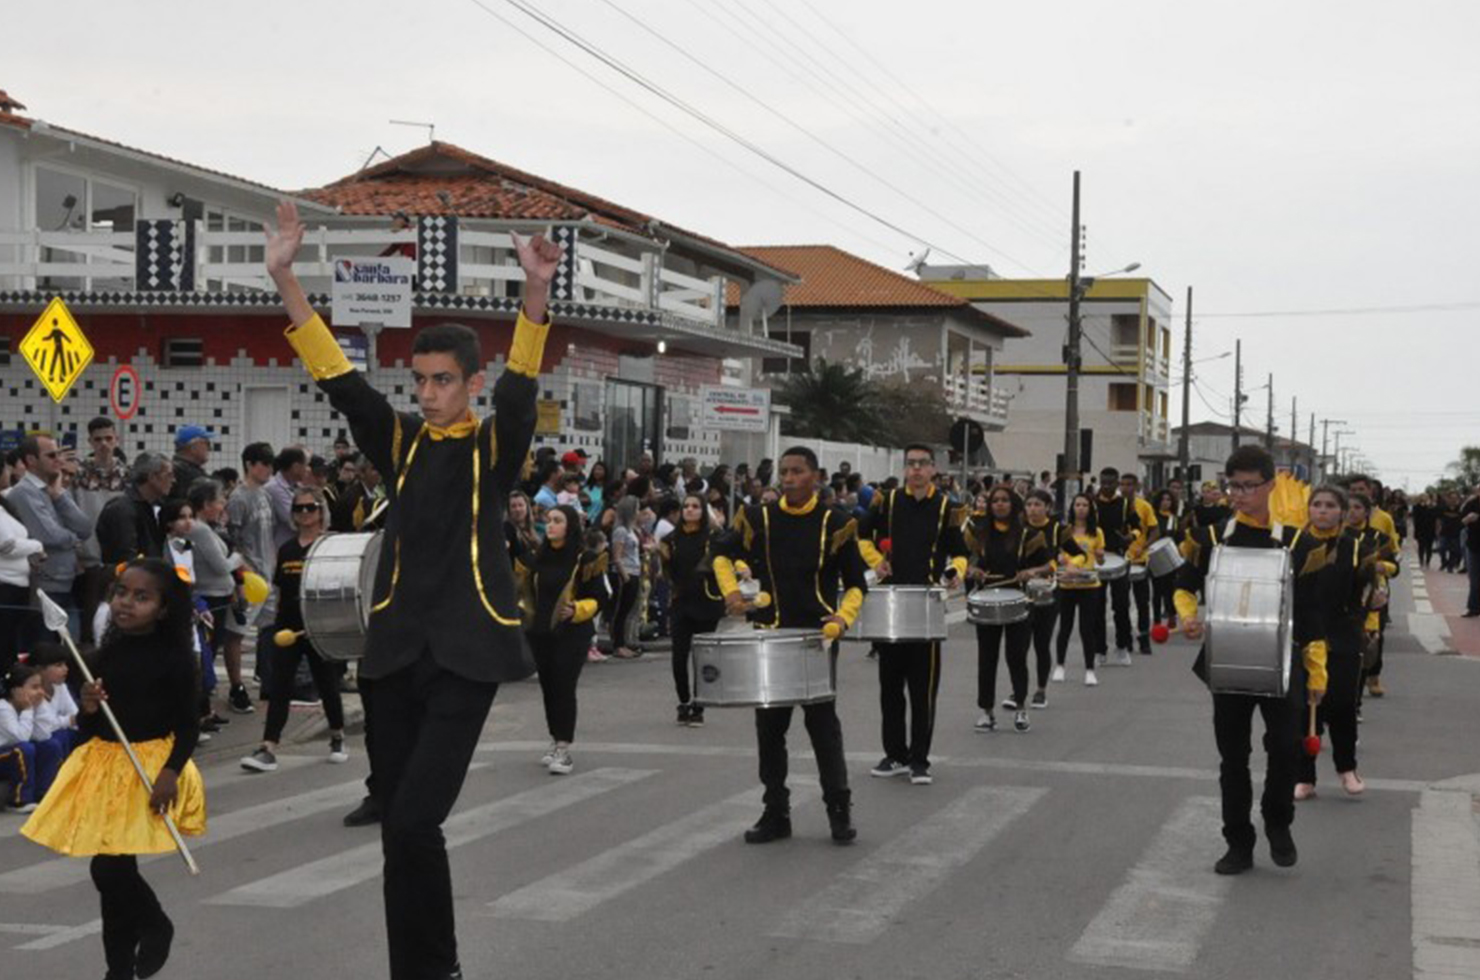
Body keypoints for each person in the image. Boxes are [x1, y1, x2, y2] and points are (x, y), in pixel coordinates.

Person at [266, 200, 559, 980]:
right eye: (420, 380)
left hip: (468, 654)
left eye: (441, 381)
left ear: (471, 382)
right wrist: (284, 275)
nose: (427, 393)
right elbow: (339, 380)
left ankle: (437, 969)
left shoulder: (496, 446)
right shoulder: (397, 440)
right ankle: (422, 969)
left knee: (416, 820)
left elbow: (524, 392)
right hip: (393, 655)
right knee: (398, 828)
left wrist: (534, 297)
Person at [21, 558, 206, 980]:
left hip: (149, 768)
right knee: (113, 876)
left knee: (109, 869)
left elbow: (188, 724)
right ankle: (118, 969)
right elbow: (92, 727)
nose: (126, 603)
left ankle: (156, 923)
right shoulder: (103, 655)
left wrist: (171, 773)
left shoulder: (176, 660)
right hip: (107, 765)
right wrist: (87, 707)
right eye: (122, 592)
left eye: (141, 597)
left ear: (162, 609)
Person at [1174, 445, 1328, 875]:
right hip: (1227, 663)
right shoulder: (1211, 538)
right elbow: (1185, 585)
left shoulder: (1298, 543)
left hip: (1283, 663)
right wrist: (1188, 617)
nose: (1239, 495)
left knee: (1285, 748)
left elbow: (1312, 615)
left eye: (1248, 487)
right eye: (1233, 486)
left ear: (1270, 485)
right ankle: (1238, 841)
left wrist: (1317, 670)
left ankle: (1278, 821)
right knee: (1232, 758)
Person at [712, 446, 866, 845]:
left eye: (797, 471)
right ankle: (775, 812)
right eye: (784, 471)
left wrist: (841, 619)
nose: (789, 478)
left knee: (823, 729)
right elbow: (720, 555)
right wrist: (731, 592)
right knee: (770, 730)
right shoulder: (757, 517)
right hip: (769, 637)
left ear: (815, 476)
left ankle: (838, 810)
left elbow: (856, 585)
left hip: (814, 640)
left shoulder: (837, 522)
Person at [856, 445, 966, 776]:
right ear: (905, 469)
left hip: (927, 605)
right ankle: (894, 755)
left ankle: (920, 760)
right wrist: (878, 564)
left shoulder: (949, 506)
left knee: (923, 690)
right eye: (911, 464)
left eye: (922, 464)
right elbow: (862, 536)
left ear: (933, 469)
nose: (916, 470)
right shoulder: (885, 501)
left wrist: (955, 573)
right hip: (891, 603)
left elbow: (960, 553)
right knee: (890, 687)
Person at [241, 487, 348, 773]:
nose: (304, 513)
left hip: (318, 627)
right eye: (299, 509)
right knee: (280, 687)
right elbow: (278, 589)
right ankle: (268, 747)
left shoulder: (329, 545)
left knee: (327, 684)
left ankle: (337, 736)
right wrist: (274, 621)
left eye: (310, 508)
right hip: (288, 627)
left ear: (320, 511)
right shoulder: (287, 548)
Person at [1293, 486, 1383, 800]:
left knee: (1342, 704)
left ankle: (1347, 768)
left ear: (1342, 512)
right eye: (1316, 504)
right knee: (1305, 706)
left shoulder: (1359, 547)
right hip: (1303, 634)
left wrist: (1370, 618)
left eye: (1330, 505)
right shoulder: (1295, 544)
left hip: (1343, 634)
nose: (1322, 510)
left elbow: (1370, 592)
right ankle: (1304, 776)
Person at [515, 504, 609, 774]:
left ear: (569, 525)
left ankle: (564, 748)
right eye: (549, 520)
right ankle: (555, 738)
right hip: (541, 632)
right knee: (549, 687)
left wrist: (578, 609)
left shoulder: (586, 559)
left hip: (573, 633)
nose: (551, 525)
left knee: (564, 686)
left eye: (557, 520)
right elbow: (523, 592)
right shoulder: (536, 558)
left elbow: (601, 596)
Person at [965, 484, 1050, 734]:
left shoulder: (1028, 535)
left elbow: (1048, 566)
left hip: (1019, 600)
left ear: (1013, 505)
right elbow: (966, 563)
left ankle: (1021, 708)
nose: (999, 504)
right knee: (986, 658)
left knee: (1016, 658)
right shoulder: (979, 534)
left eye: (1004, 500)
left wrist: (1032, 571)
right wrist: (973, 571)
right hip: (987, 600)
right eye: (995, 501)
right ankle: (986, 711)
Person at [9, 434, 93, 642]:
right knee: (46, 651)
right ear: (31, 460)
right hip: (44, 586)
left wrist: (58, 496)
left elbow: (85, 527)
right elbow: (50, 536)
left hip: (68, 582)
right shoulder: (23, 493)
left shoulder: (54, 490)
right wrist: (74, 540)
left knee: (70, 648)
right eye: (51, 455)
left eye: (59, 454)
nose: (59, 460)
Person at [659, 493, 726, 727]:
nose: (689, 510)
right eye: (686, 506)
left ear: (703, 510)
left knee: (703, 656)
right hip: (681, 602)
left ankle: (699, 705)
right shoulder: (670, 539)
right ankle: (684, 701)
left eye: (695, 506)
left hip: (707, 601)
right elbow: (665, 572)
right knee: (679, 655)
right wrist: (658, 556)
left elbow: (720, 563)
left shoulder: (714, 537)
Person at [224, 442, 278, 714]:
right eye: (264, 463)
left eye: (270, 464)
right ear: (250, 464)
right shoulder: (238, 498)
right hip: (248, 575)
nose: (268, 469)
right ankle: (236, 687)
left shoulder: (265, 495)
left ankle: (268, 679)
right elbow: (230, 539)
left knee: (269, 629)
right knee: (236, 633)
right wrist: (240, 576)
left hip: (267, 573)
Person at [73, 417, 129, 643]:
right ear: (90, 442)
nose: (104, 444)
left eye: (108, 438)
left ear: (116, 439)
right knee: (89, 620)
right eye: (98, 440)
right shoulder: (78, 475)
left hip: (119, 559)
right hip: (88, 558)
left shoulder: (128, 475)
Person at [1054, 493, 1106, 686]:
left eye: (1085, 505)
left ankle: (1089, 670)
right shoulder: (1064, 530)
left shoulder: (1097, 532)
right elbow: (1058, 554)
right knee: (1065, 627)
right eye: (1078, 504)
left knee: (1087, 628)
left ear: (1090, 508)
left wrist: (1100, 556)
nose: (1081, 508)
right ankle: (1060, 665)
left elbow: (1100, 560)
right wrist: (1062, 560)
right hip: (1067, 583)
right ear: (1072, 507)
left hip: (1089, 584)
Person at [1093, 466, 1140, 666]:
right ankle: (1099, 650)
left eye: (1111, 483)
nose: (1106, 486)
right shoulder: (1093, 504)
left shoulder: (1125, 504)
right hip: (1097, 560)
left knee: (1121, 606)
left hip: (1120, 558)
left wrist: (1131, 537)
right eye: (1103, 482)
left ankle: (1122, 647)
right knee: (1096, 608)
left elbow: (1138, 527)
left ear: (1117, 483)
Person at [1020, 489, 1063, 708]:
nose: (1032, 509)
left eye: (1037, 504)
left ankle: (1041, 690)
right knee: (1019, 645)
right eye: (1029, 504)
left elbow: (1076, 553)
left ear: (1047, 507)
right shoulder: (1018, 528)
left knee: (1041, 643)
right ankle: (1018, 691)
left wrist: (1069, 563)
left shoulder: (1056, 528)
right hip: (1021, 592)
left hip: (1048, 592)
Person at [96, 452, 174, 569]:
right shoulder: (122, 509)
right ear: (152, 477)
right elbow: (126, 558)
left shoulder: (153, 506)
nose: (173, 480)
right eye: (169, 475)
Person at [0, 492, 42, 672]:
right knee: (4, 642)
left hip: (18, 585)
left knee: (10, 642)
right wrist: (37, 546)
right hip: (5, 585)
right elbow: (7, 545)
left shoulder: (5, 506)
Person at [1120, 472, 1157, 654]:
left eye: (1129, 484)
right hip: (1120, 561)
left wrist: (1146, 545)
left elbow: (1155, 530)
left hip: (1140, 560)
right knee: (1122, 604)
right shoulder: (1116, 506)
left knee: (1143, 602)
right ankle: (1126, 639)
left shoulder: (1144, 506)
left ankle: (1144, 639)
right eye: (1123, 484)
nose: (1125, 488)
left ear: (1136, 486)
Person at [1, 663, 46, 811]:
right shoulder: (3, 708)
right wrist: (28, 709)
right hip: (4, 753)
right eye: (34, 687)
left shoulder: (32, 704)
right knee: (24, 749)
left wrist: (37, 708)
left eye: (40, 687)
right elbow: (22, 737)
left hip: (10, 752)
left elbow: (44, 734)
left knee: (50, 745)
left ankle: (43, 794)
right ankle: (18, 800)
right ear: (16, 691)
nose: (40, 692)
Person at [608, 496, 644, 658]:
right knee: (620, 610)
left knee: (628, 609)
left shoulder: (631, 530)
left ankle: (623, 642)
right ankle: (618, 644)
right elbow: (617, 556)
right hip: (625, 573)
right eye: (636, 509)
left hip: (634, 571)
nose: (639, 512)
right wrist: (625, 576)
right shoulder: (621, 531)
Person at [1147, 489, 1181, 628]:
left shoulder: (1174, 519)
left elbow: (1178, 537)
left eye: (1168, 500)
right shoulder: (1153, 517)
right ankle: (1156, 620)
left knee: (1170, 589)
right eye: (1163, 499)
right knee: (1157, 590)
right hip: (1155, 557)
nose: (1165, 502)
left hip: (1170, 557)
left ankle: (1171, 614)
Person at [170, 425, 214, 501]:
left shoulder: (176, 469)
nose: (210, 448)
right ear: (193, 447)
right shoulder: (184, 473)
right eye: (207, 443)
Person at [1461, 485, 1480, 617]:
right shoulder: (1471, 503)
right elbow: (1461, 519)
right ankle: (1473, 608)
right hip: (1473, 544)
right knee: (1474, 578)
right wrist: (1467, 519)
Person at [1411, 492, 1437, 570]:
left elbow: (1434, 517)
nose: (1424, 498)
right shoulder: (1416, 507)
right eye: (1423, 497)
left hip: (1430, 529)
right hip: (1420, 529)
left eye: (1426, 497)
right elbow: (1415, 519)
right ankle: (1421, 561)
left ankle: (1428, 561)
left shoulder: (1431, 507)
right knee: (1421, 546)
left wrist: (1430, 506)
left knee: (1429, 547)